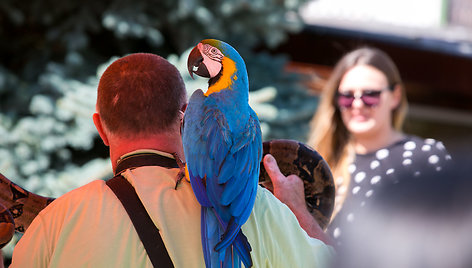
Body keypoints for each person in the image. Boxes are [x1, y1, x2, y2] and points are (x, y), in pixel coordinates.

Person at [10, 53, 333, 267]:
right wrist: (296, 211)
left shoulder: (56, 221)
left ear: (100, 128)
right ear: (185, 118)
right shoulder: (253, 207)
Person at [307, 47, 452, 247]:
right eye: (347, 96)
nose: (357, 104)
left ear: (395, 96)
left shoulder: (424, 157)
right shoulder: (321, 164)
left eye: (370, 95)